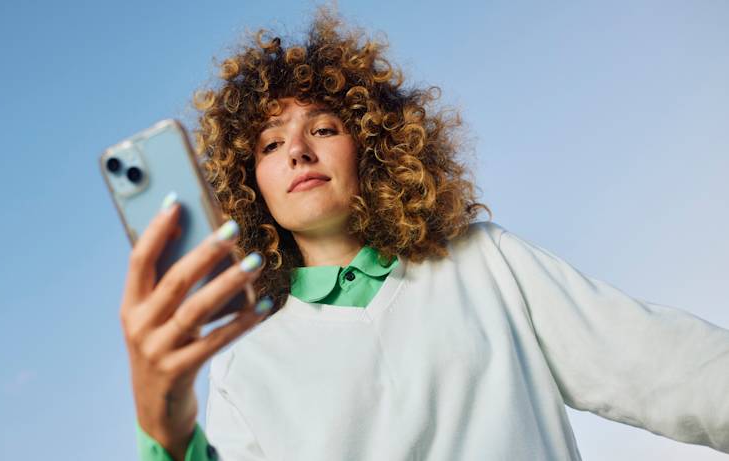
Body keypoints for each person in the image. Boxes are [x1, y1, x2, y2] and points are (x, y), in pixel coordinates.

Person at [118, 7, 729, 461]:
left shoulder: (484, 261)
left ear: (373, 146)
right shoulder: (246, 367)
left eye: (323, 129)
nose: (298, 151)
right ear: (250, 185)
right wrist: (162, 435)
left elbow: (668, 368)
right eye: (270, 145)